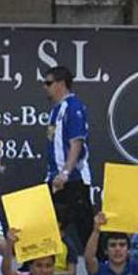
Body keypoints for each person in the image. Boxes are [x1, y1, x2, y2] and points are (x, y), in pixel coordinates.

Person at [43, 66, 94, 254]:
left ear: (61, 84)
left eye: (48, 83)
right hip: (55, 179)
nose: (44, 87)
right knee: (44, 232)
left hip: (73, 181)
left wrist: (65, 172)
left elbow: (76, 143)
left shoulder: (72, 107)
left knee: (86, 233)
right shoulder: (56, 110)